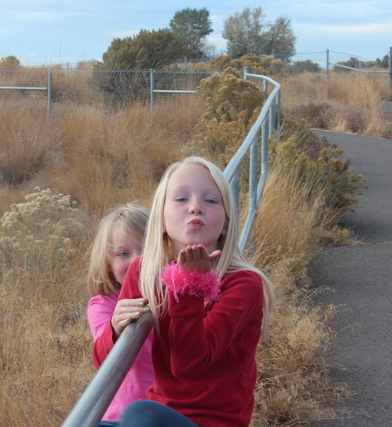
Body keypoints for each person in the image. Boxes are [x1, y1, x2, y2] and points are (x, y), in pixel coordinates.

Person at [93, 156, 275, 427]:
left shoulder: (244, 284)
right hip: (158, 414)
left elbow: (188, 365)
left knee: (141, 413)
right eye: (180, 199)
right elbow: (105, 367)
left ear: (226, 223)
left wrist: (189, 283)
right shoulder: (144, 273)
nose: (195, 208)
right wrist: (115, 330)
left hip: (212, 422)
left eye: (211, 201)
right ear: (162, 220)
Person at [86, 203, 154, 424]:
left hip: (166, 413)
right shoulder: (103, 305)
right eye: (124, 253)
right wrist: (115, 327)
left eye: (147, 249)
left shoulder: (176, 298)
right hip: (120, 418)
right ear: (108, 266)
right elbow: (102, 357)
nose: (137, 261)